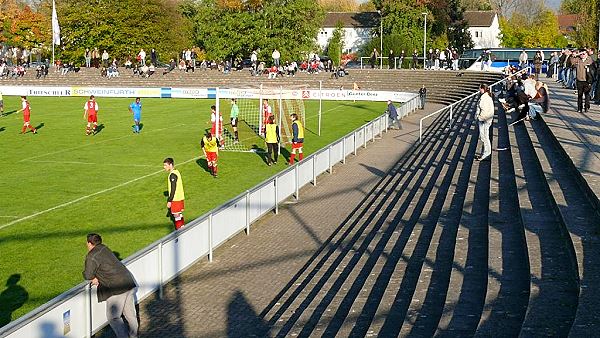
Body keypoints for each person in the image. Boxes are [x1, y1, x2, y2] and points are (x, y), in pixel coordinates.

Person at [83, 233, 138, 338]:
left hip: (116, 288)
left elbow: (88, 274)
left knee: (113, 317)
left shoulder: (92, 255)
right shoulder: (104, 248)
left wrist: (94, 277)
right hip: (128, 282)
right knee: (130, 314)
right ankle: (134, 335)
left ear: (89, 243)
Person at [163, 158, 185, 229]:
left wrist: (169, 200)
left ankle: (179, 230)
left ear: (171, 165)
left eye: (166, 165)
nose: (164, 167)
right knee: (179, 214)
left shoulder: (172, 175)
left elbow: (173, 189)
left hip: (176, 199)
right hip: (180, 197)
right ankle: (183, 228)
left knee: (176, 215)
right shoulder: (176, 171)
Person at [475, 84, 494, 161]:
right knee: (485, 136)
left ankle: (487, 153)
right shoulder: (487, 97)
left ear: (482, 89)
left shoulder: (484, 98)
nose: (479, 90)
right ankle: (486, 152)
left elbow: (484, 110)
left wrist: (479, 117)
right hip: (486, 119)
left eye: (479, 88)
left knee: (484, 137)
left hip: (484, 119)